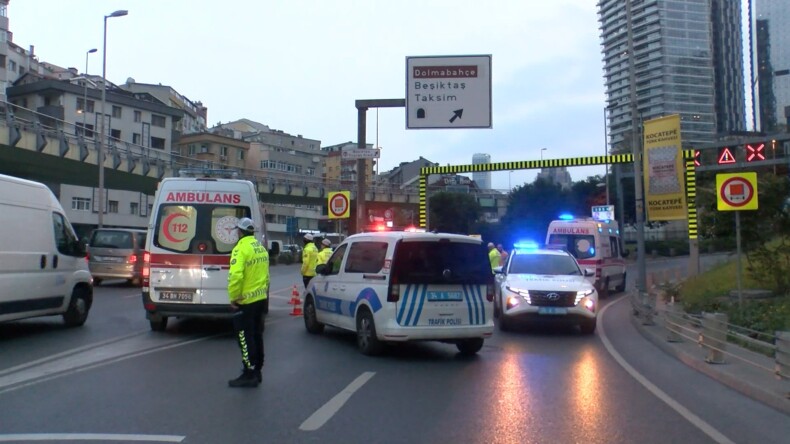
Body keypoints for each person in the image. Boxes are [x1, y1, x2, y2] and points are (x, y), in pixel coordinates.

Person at [227, 217, 269, 388]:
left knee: (244, 337)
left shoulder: (240, 249)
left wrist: (234, 297)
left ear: (240, 232)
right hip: (260, 299)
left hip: (246, 301)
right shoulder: (260, 248)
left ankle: (249, 372)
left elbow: (236, 276)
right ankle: (257, 369)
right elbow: (266, 275)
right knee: (257, 335)